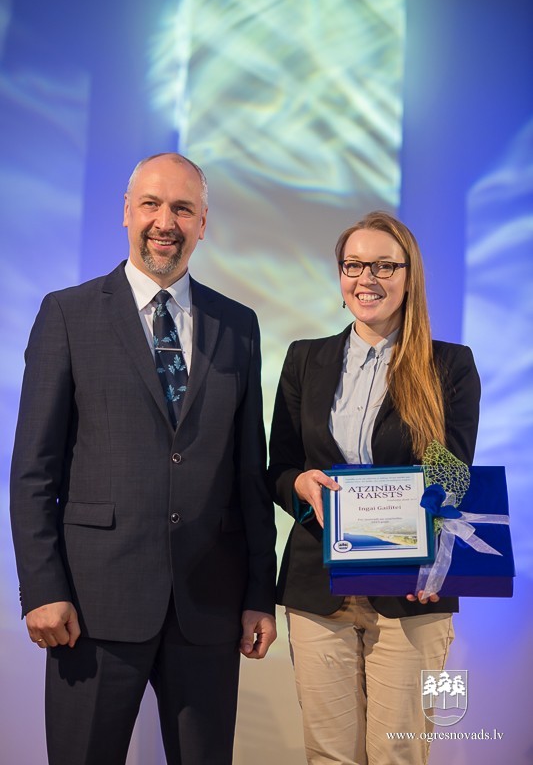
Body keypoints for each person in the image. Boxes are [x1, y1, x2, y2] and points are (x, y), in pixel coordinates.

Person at [10, 152, 277, 765]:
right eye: (151, 204)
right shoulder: (67, 314)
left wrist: (259, 592)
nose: (165, 221)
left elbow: (249, 474)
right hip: (91, 607)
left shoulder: (239, 325)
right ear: (126, 212)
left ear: (203, 223)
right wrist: (42, 589)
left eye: (182, 208)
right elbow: (33, 472)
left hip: (208, 608)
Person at [268, 211, 480, 765]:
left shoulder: (449, 365)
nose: (367, 278)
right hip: (319, 588)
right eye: (354, 265)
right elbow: (280, 467)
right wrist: (299, 485)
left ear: (410, 276)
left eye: (385, 265)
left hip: (413, 589)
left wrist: (436, 560)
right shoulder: (305, 358)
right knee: (328, 756)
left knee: (399, 756)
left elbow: (453, 475)